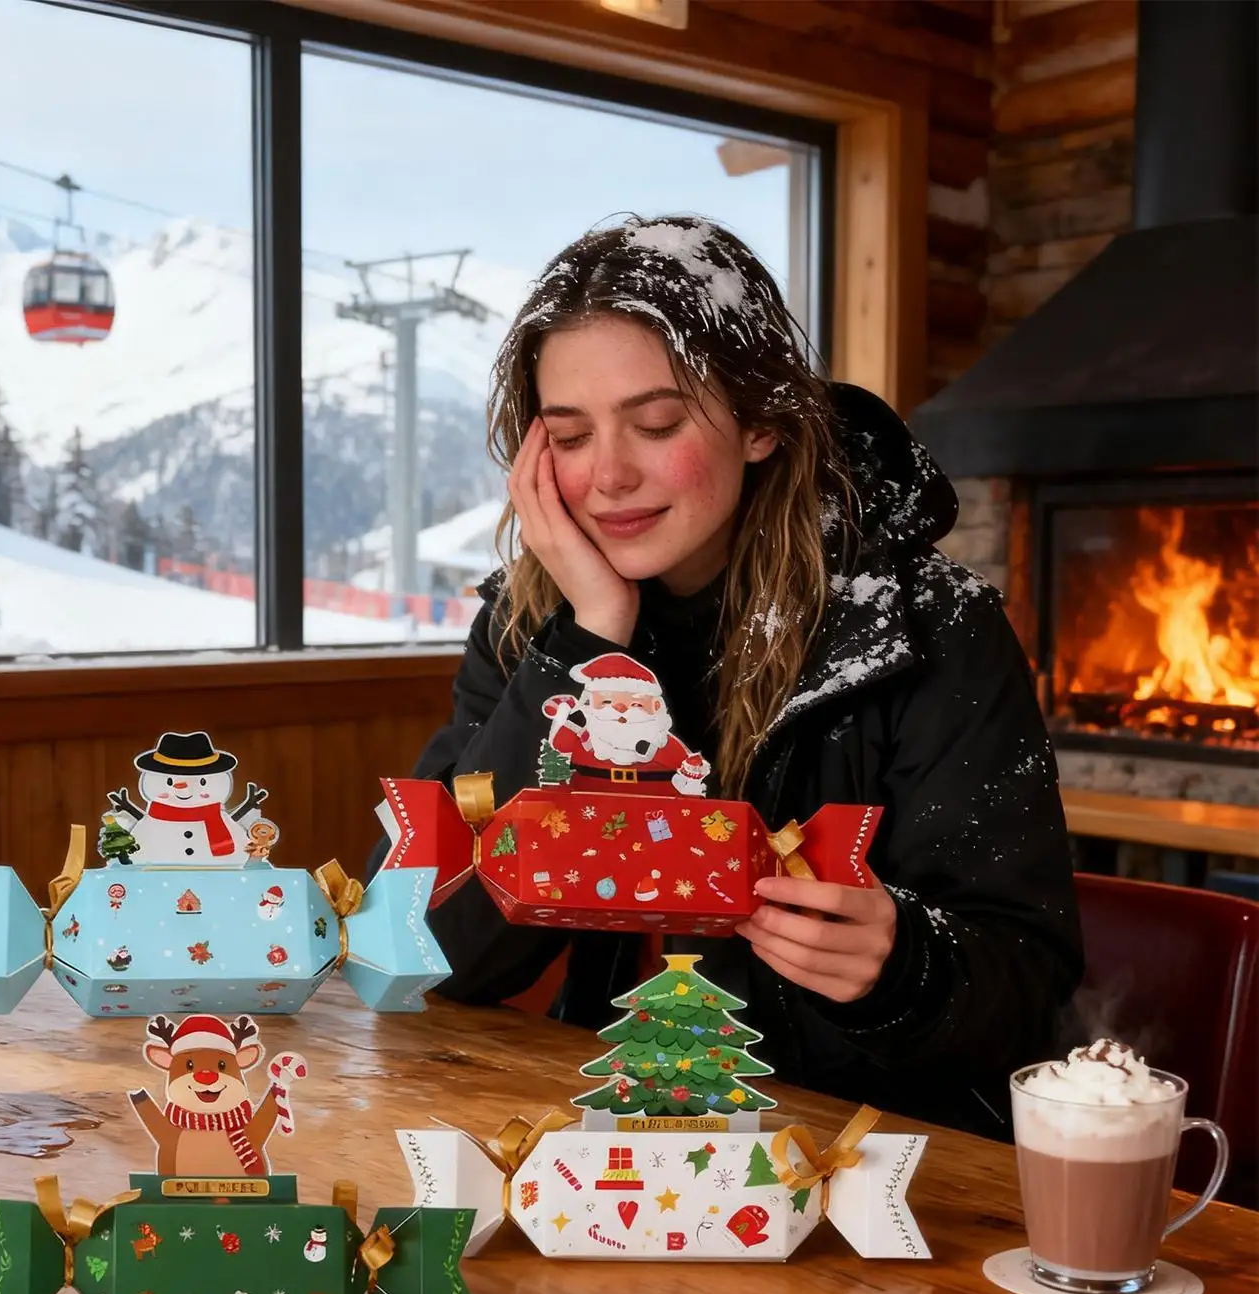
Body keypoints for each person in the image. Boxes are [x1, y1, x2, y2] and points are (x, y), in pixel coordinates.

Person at [389, 215, 1082, 1141]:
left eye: (657, 423)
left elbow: (1026, 989)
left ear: (759, 420)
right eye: (568, 434)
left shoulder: (928, 626)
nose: (607, 475)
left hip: (852, 1164)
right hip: (610, 1149)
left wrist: (900, 966)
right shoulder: (533, 630)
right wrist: (590, 639)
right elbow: (425, 948)